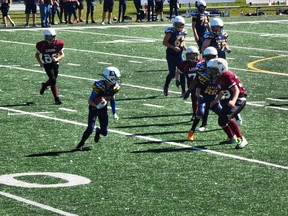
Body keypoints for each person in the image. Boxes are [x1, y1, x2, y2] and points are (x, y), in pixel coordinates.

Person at [76, 66, 121, 150]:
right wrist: (97, 106)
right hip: (94, 108)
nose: (117, 80)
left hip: (103, 109)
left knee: (104, 132)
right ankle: (81, 144)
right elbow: (90, 101)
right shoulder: (99, 85)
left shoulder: (114, 87)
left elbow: (112, 99)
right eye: (115, 78)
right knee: (90, 128)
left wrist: (114, 113)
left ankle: (98, 131)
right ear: (109, 78)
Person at [208, 58, 248, 149]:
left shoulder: (226, 75)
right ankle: (231, 138)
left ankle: (241, 139)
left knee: (226, 118)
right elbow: (222, 91)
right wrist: (216, 100)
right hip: (231, 99)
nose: (212, 72)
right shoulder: (219, 77)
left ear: (221, 68)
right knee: (222, 121)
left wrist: (233, 101)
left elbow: (236, 90)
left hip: (239, 99)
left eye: (214, 69)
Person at [187, 60, 222, 141]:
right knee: (200, 112)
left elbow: (222, 92)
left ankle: (231, 135)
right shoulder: (204, 77)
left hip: (213, 99)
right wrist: (199, 95)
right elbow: (197, 90)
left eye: (214, 69)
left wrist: (217, 100)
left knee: (224, 115)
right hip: (204, 99)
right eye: (210, 69)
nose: (211, 71)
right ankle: (192, 131)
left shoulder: (220, 78)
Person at [184, 46, 218, 129]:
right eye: (208, 57)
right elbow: (196, 79)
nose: (210, 59)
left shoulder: (219, 63)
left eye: (212, 57)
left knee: (224, 106)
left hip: (218, 85)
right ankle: (204, 124)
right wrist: (189, 90)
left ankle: (234, 117)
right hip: (205, 86)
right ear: (204, 57)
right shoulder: (201, 65)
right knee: (205, 105)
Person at [35, 28, 65, 105]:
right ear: (45, 37)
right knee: (53, 80)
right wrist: (40, 63)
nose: (51, 38)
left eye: (52, 36)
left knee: (52, 80)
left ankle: (44, 85)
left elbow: (62, 54)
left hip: (55, 64)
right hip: (47, 64)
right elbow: (37, 55)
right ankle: (57, 98)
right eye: (49, 37)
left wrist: (57, 59)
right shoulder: (42, 45)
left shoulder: (58, 44)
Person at [163, 15, 187, 97]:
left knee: (183, 72)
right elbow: (165, 42)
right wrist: (173, 47)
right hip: (171, 54)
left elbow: (182, 42)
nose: (180, 26)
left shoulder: (184, 31)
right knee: (172, 74)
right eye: (179, 24)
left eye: (181, 24)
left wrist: (185, 48)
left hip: (180, 54)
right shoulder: (171, 31)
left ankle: (183, 91)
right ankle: (166, 85)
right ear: (175, 24)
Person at [176, 46, 201, 121]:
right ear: (187, 56)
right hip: (191, 85)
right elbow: (178, 71)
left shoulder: (201, 62)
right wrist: (177, 79)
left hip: (202, 84)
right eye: (190, 55)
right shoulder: (184, 64)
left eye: (194, 55)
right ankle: (195, 114)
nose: (192, 57)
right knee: (194, 99)